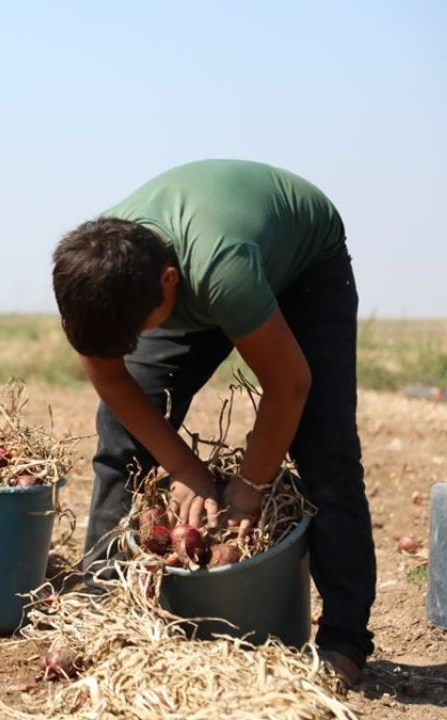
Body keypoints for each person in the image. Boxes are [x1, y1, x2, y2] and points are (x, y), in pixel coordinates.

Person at [51, 159, 373, 685]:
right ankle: (99, 609)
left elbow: (289, 384)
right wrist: (184, 469)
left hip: (300, 263)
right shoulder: (92, 281)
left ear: (168, 282)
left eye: (135, 336)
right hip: (201, 275)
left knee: (325, 447)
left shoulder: (222, 272)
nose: (127, 350)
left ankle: (345, 642)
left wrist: (249, 487)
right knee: (121, 439)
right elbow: (113, 382)